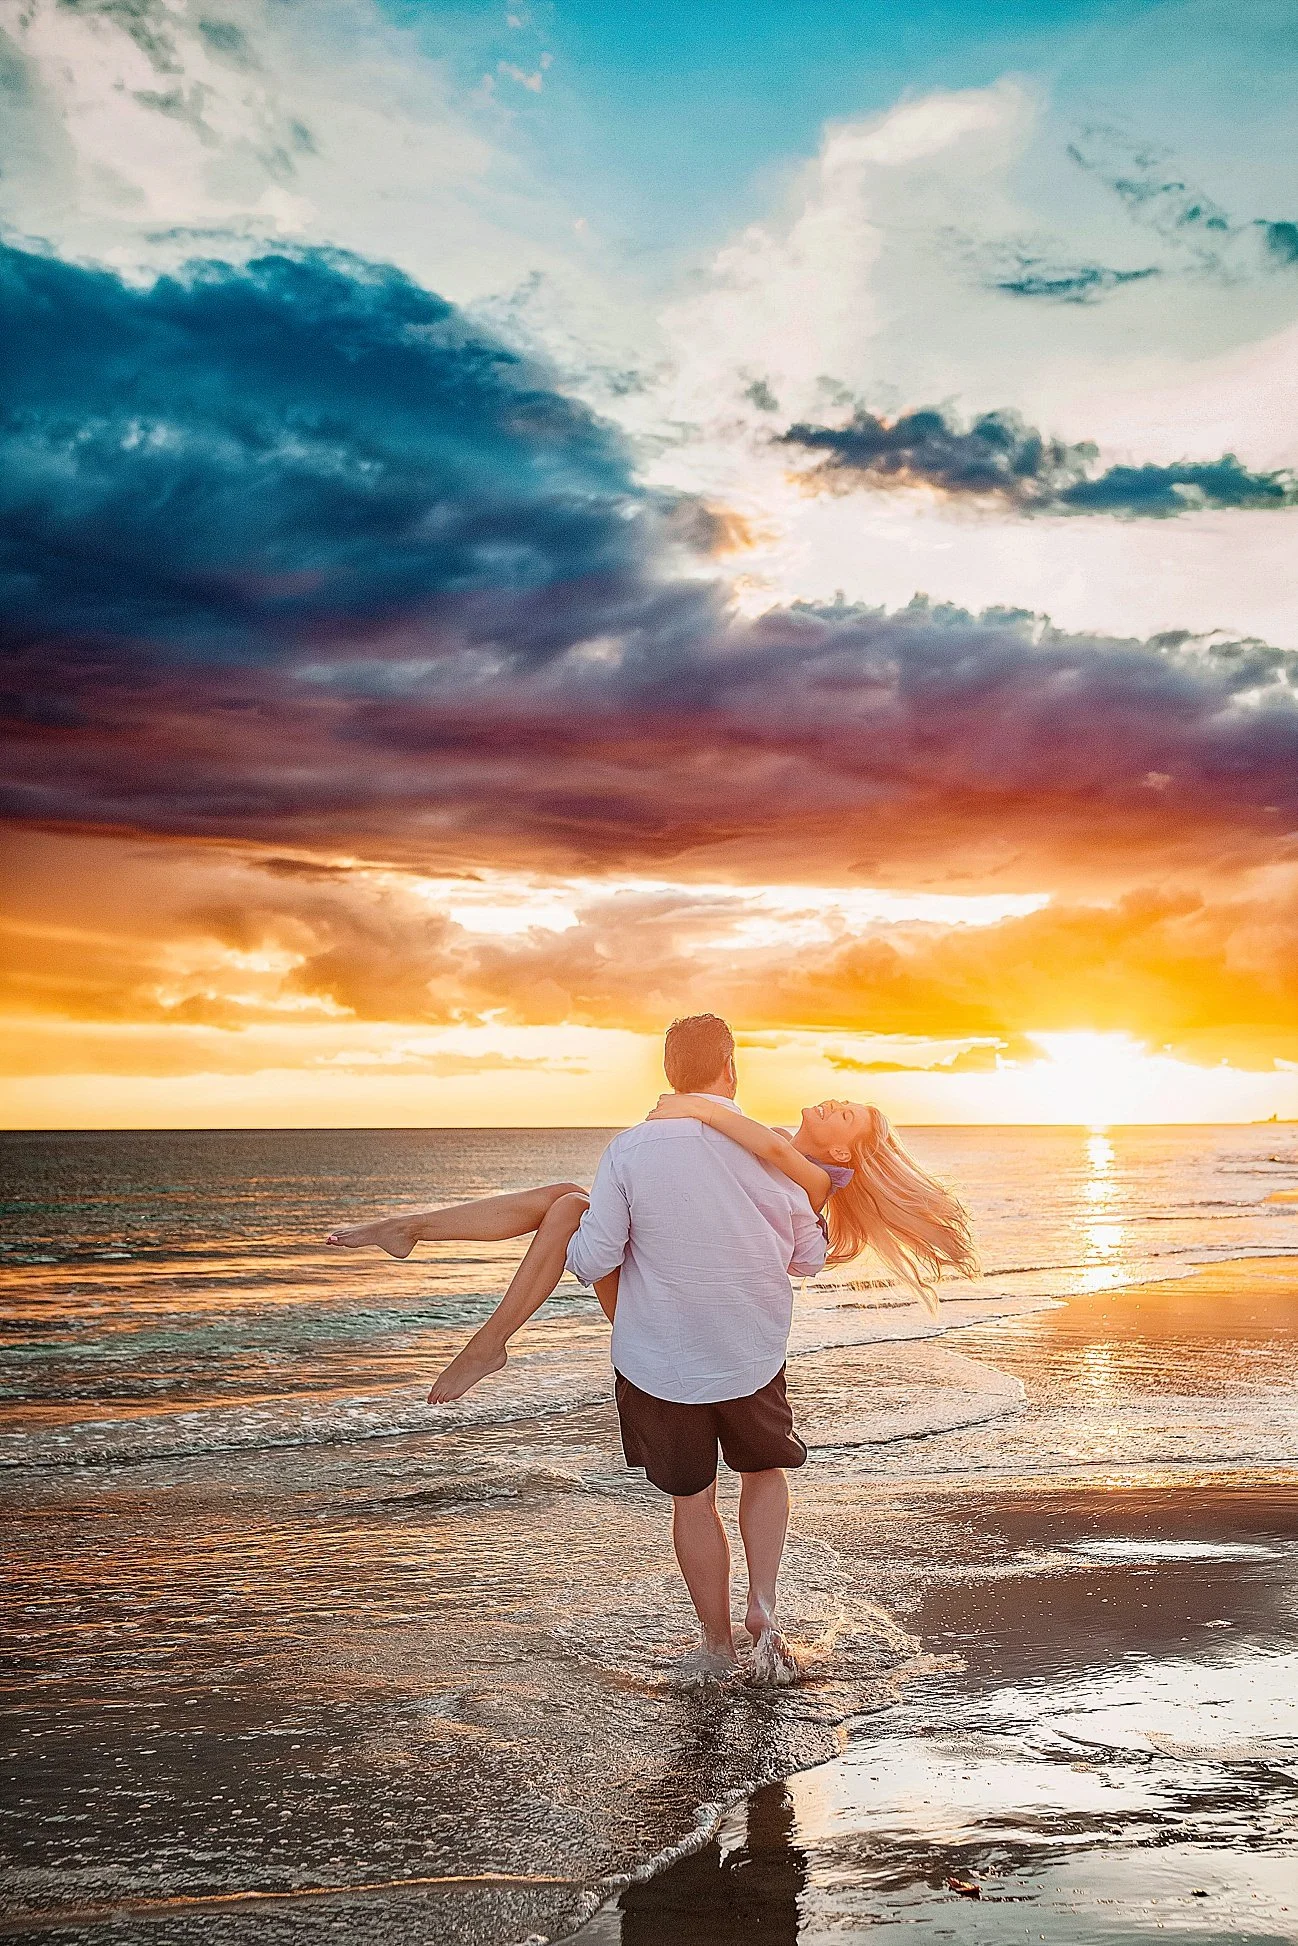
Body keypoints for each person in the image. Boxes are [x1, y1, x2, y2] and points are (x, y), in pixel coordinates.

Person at [327, 1023, 977, 1406]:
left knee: (570, 1206)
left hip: (676, 1321)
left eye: (846, 1112)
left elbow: (764, 1148)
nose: (835, 1100)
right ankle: (412, 1230)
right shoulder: (769, 1150)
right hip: (683, 1307)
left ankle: (487, 1341)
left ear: (842, 1148)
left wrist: (692, 1108)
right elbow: (735, 1160)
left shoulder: (811, 1176)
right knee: (563, 1194)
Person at [561, 1011, 826, 1680]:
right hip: (750, 1350)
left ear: (669, 1074)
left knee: (693, 1500)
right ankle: (762, 1610)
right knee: (764, 1473)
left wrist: (559, 1229)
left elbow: (595, 1258)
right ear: (730, 1068)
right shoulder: (768, 1150)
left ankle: (716, 1644)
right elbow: (806, 1260)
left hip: (662, 1361)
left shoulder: (629, 1149)